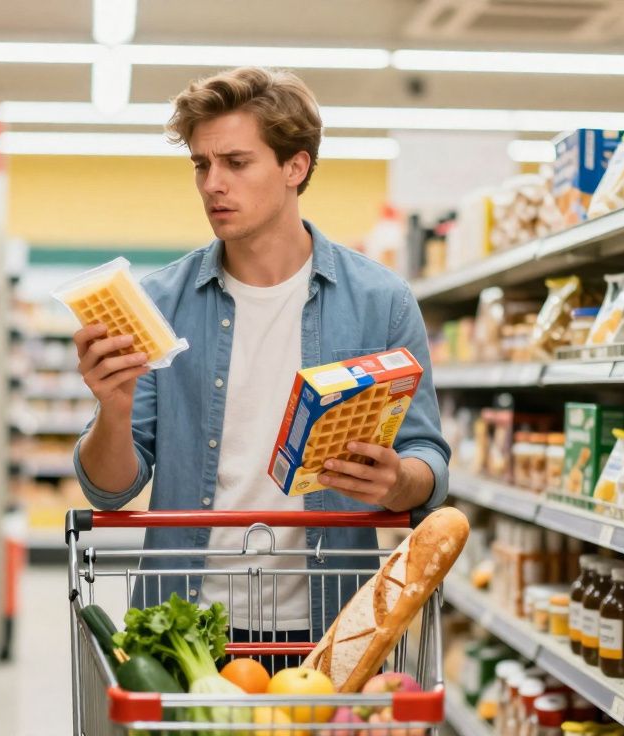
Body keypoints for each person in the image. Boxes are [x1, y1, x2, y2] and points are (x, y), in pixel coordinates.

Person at [71, 66, 450, 668]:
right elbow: (110, 489)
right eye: (201, 164)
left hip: (331, 632)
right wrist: (113, 409)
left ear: (295, 167)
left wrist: (397, 480)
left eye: (236, 163)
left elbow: (430, 461)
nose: (212, 185)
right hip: (186, 629)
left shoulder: (382, 300)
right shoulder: (158, 303)